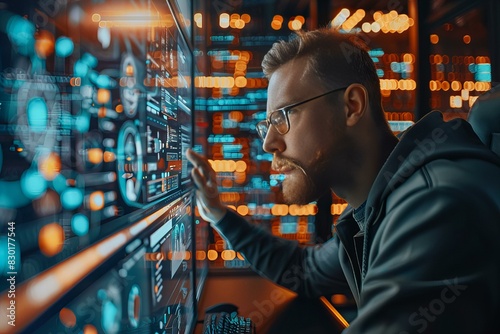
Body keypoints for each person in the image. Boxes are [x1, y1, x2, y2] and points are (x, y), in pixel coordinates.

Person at [186, 28, 500, 333]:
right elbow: (305, 271)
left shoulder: (434, 205)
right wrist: (217, 212)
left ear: (352, 106)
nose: (269, 143)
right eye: (268, 124)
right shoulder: (378, 206)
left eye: (284, 116)